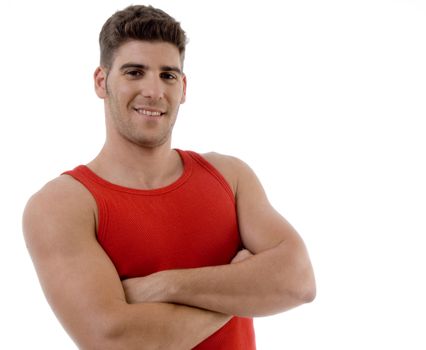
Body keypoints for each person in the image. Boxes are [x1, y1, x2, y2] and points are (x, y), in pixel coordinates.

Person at [23, 4, 316, 350]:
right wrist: (243, 292)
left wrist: (165, 285)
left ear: (184, 86)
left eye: (168, 75)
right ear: (101, 82)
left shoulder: (229, 176)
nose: (154, 91)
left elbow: (299, 282)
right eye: (134, 72)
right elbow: (117, 342)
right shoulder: (62, 204)